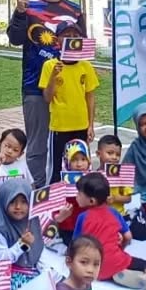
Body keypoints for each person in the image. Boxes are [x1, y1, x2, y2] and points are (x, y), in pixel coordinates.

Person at [7, 0, 83, 184]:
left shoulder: (74, 10)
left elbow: (81, 47)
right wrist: (19, 12)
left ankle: (67, 187)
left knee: (69, 143)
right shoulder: (27, 6)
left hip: (68, 90)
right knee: (38, 145)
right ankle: (37, 191)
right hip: (35, 87)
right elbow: (15, 38)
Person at [39, 21, 100, 183]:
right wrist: (54, 76)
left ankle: (80, 196)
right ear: (58, 40)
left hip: (81, 126)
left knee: (81, 167)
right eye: (66, 35)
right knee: (57, 170)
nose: (72, 39)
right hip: (60, 127)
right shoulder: (50, 65)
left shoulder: (86, 66)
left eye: (75, 35)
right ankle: (56, 196)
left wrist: (90, 125)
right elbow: (47, 97)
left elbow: (90, 97)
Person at [73, 171, 146, 289]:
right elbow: (128, 236)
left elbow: (75, 245)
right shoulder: (113, 212)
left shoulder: (82, 217)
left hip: (94, 268)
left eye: (79, 194)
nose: (76, 196)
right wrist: (121, 248)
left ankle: (115, 275)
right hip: (116, 260)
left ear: (92, 201)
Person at [0, 178, 43, 267]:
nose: (18, 207)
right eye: (12, 201)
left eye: (23, 202)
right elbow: (1, 260)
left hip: (38, 264)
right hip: (12, 270)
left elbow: (45, 239)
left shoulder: (34, 218)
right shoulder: (0, 229)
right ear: (4, 201)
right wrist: (22, 244)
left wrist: (57, 219)